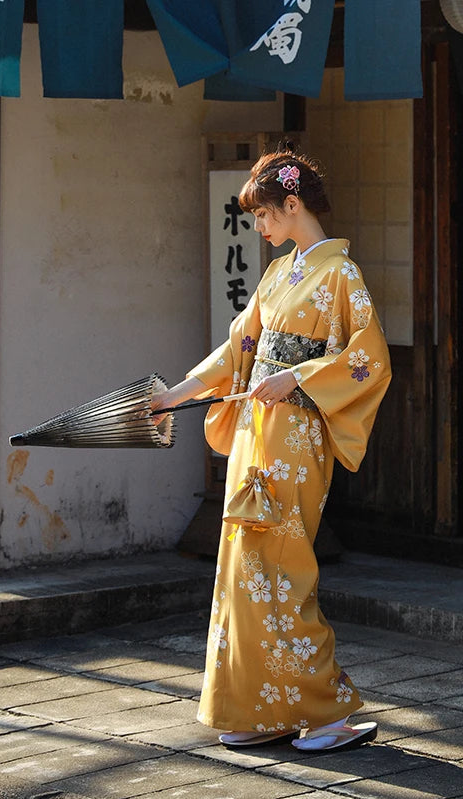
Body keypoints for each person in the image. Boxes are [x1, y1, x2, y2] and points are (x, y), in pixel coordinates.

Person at [153, 150, 391, 752]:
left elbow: (368, 360)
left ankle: (329, 713)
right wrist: (172, 395)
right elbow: (240, 350)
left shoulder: (342, 276)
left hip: (296, 442)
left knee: (283, 573)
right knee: (243, 574)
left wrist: (299, 376)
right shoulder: (278, 274)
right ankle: (266, 710)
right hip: (257, 438)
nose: (258, 227)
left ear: (293, 205)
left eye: (264, 215)